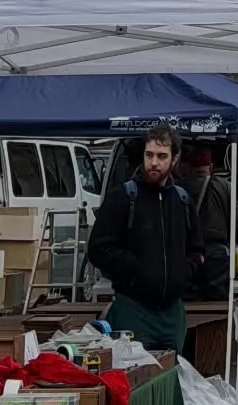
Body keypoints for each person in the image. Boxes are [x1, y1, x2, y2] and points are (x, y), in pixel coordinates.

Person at [87, 125, 205, 354]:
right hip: (133, 309)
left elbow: (198, 250)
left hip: (172, 313)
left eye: (162, 156)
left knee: (170, 380)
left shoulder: (182, 201)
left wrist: (184, 272)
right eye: (149, 155)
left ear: (174, 159)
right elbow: (97, 249)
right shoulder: (123, 197)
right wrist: (132, 266)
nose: (154, 162)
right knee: (133, 381)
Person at [180, 145, 233, 300]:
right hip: (217, 250)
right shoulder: (226, 186)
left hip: (189, 252)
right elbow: (236, 219)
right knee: (217, 300)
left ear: (190, 167)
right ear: (210, 166)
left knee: (190, 299)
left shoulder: (181, 188)